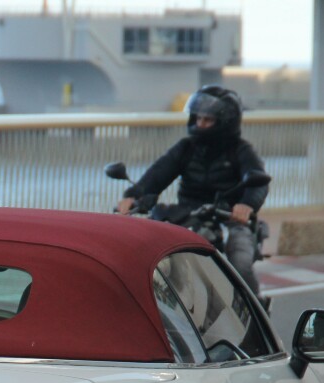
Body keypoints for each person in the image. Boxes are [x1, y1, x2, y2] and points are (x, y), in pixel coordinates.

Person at [115, 85, 269, 297]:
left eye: (208, 120)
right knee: (156, 253)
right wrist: (133, 196)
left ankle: (256, 316)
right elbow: (158, 173)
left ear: (225, 122)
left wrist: (246, 205)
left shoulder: (240, 150)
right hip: (190, 214)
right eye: (198, 118)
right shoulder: (186, 148)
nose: (200, 124)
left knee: (240, 262)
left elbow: (258, 180)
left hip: (229, 217)